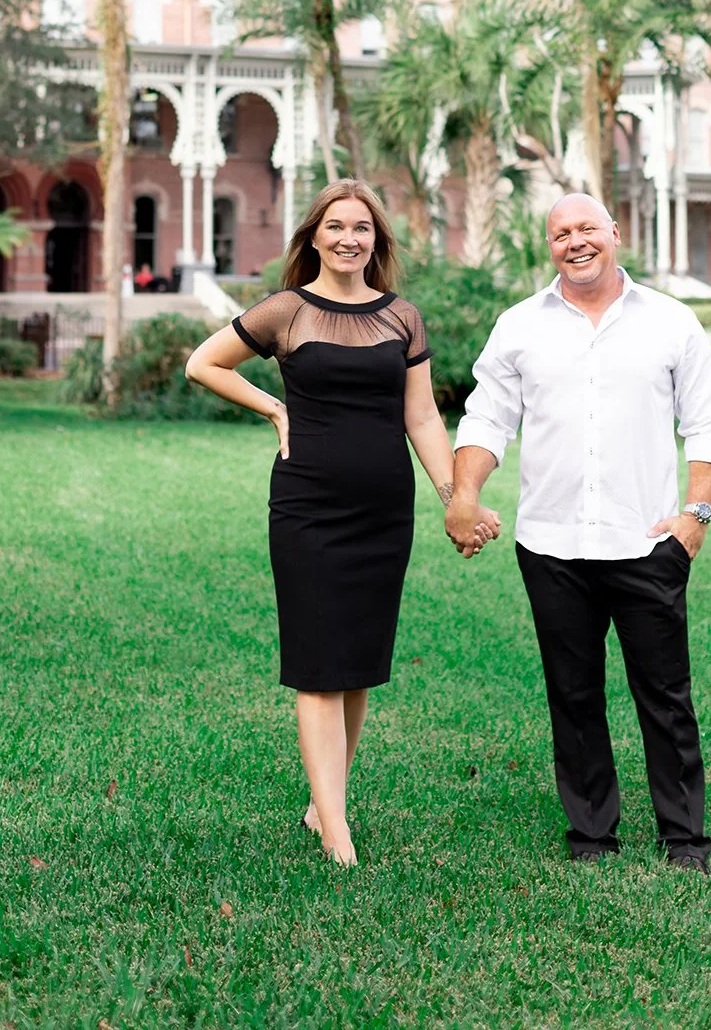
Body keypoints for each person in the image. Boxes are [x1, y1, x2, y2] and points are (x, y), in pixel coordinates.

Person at [185, 179, 497, 866]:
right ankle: (336, 830)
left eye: (362, 228)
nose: (349, 238)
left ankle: (322, 802)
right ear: (314, 236)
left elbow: (420, 416)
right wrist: (273, 409)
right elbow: (202, 363)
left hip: (383, 510)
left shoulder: (401, 317)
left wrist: (453, 496)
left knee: (357, 666)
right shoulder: (286, 311)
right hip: (307, 507)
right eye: (336, 226)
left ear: (376, 241)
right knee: (319, 666)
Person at [445, 193, 711, 870]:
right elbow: (487, 420)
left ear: (615, 234)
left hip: (648, 541)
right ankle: (591, 835)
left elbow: (710, 423)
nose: (575, 242)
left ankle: (684, 837)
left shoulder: (670, 322)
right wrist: (465, 494)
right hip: (550, 545)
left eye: (586, 230)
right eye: (559, 234)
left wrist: (694, 516)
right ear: (549, 246)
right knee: (571, 694)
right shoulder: (519, 327)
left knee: (665, 696)